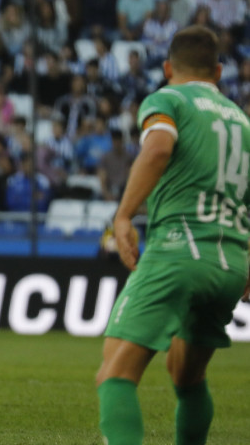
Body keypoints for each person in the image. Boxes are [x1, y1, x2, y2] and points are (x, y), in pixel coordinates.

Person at [96, 26, 250, 445]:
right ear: (218, 71)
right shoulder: (241, 120)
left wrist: (124, 215)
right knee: (187, 377)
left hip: (178, 251)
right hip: (231, 262)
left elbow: (159, 147)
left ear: (167, 68)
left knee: (115, 374)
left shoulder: (167, 99)